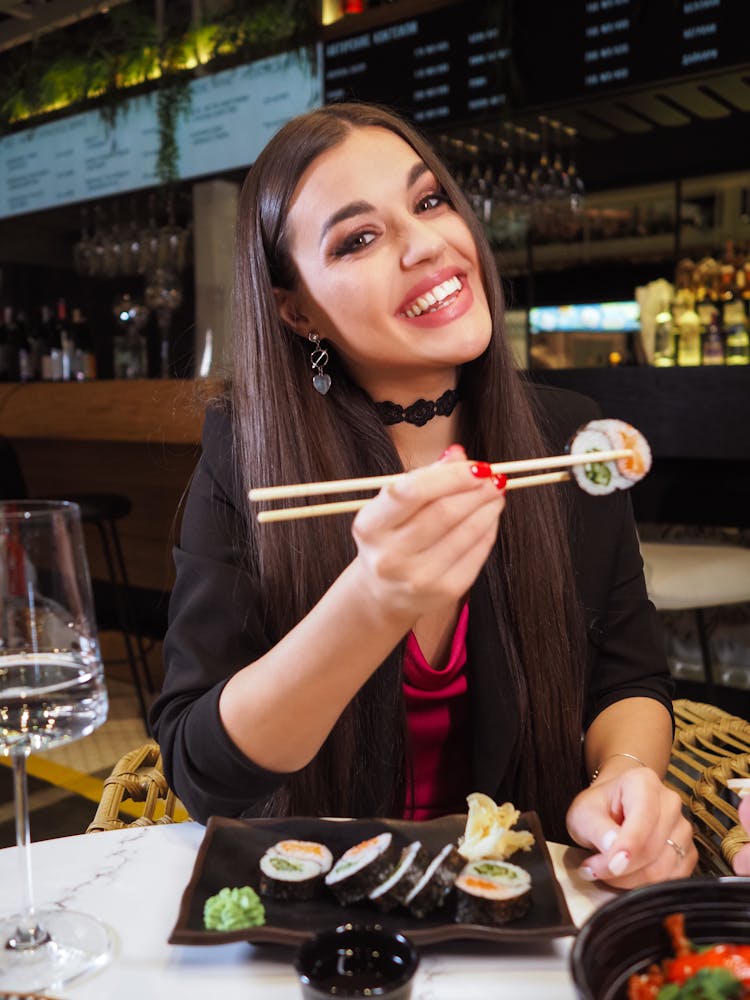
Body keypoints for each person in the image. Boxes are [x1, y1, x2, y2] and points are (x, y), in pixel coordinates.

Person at [150, 101, 696, 889]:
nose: (425, 245)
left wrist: (623, 776)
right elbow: (204, 772)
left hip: (515, 902)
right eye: (359, 238)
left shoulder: (571, 443)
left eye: (430, 200)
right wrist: (372, 600)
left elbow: (628, 678)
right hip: (323, 908)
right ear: (296, 309)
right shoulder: (247, 455)